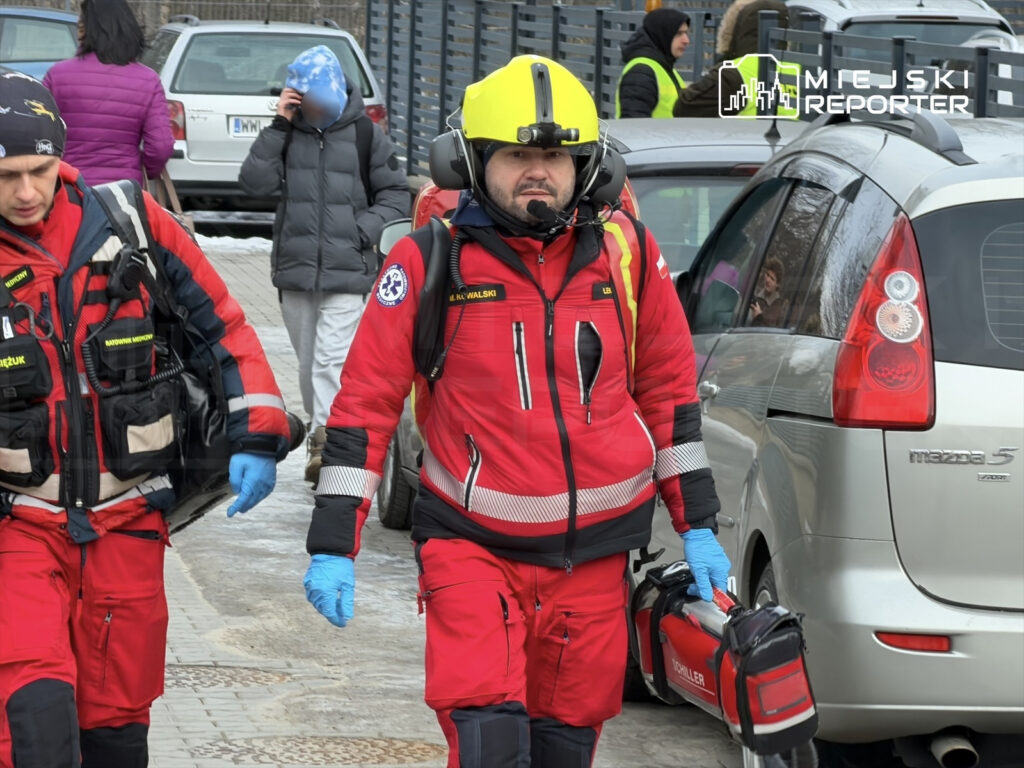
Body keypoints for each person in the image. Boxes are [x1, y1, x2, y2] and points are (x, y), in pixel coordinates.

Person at [301, 54, 730, 767]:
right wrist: (332, 541)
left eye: (556, 157)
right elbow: (365, 403)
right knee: (488, 739)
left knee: (565, 746)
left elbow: (670, 394)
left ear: (587, 166)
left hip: (595, 555)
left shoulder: (627, 257)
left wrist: (700, 525)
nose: (539, 171)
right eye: (518, 155)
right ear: (472, 161)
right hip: (470, 545)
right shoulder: (427, 261)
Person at [0, 72, 291, 767]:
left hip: (128, 523)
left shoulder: (128, 223)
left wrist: (258, 429)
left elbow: (222, 325)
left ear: (61, 157)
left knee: (117, 730)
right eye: (6, 176)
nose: (26, 192)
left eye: (39, 171)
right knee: (33, 718)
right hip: (17, 525)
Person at [238, 45, 409, 486]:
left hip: (348, 271)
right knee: (309, 362)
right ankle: (321, 430)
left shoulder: (365, 135)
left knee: (331, 361)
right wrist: (280, 123)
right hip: (296, 271)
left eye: (322, 101)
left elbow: (395, 196)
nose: (317, 110)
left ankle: (326, 444)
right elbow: (253, 183)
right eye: (308, 102)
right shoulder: (288, 131)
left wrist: (360, 231)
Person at [42, 0, 173, 186]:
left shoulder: (57, 75)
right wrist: (146, 170)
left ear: (86, 30)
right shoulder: (148, 80)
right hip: (123, 194)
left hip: (68, 188)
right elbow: (161, 146)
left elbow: (39, 134)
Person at [673, 0, 793, 117]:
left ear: (733, 30)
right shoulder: (799, 69)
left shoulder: (731, 74)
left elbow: (683, 108)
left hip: (742, 136)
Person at [615, 8, 691, 118]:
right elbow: (634, 126)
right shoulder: (641, 72)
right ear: (662, 34)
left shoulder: (664, 68)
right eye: (679, 33)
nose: (686, 40)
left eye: (686, 33)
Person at [749, 256, 787, 326]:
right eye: (767, 275)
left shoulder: (778, 306)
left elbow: (770, 332)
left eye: (772, 279)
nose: (768, 280)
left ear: (777, 284)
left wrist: (758, 317)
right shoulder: (755, 294)